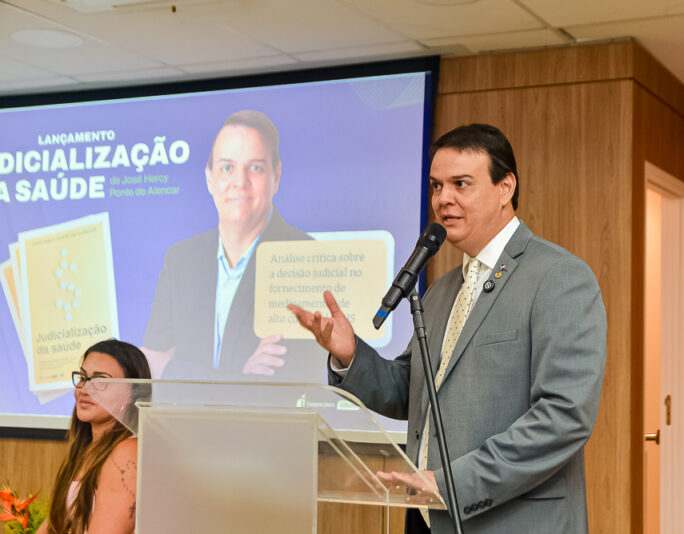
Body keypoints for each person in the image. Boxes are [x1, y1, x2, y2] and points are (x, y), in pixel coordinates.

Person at [289, 124, 607, 533]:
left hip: (510, 520)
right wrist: (350, 354)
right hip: (427, 516)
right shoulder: (442, 291)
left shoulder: (558, 277)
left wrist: (449, 485)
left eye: (461, 184)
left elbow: (564, 416)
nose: (444, 199)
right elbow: (411, 393)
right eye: (437, 186)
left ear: (505, 187)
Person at [142, 110, 320, 381]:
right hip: (184, 422)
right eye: (227, 167)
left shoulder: (305, 258)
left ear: (277, 176)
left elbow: (282, 379)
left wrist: (180, 372)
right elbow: (152, 365)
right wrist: (239, 376)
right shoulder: (181, 259)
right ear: (209, 178)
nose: (240, 182)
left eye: (256, 168)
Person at [38, 339, 152, 534]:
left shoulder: (127, 451)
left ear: (132, 393)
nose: (84, 388)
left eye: (100, 381)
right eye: (83, 377)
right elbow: (53, 525)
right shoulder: (86, 450)